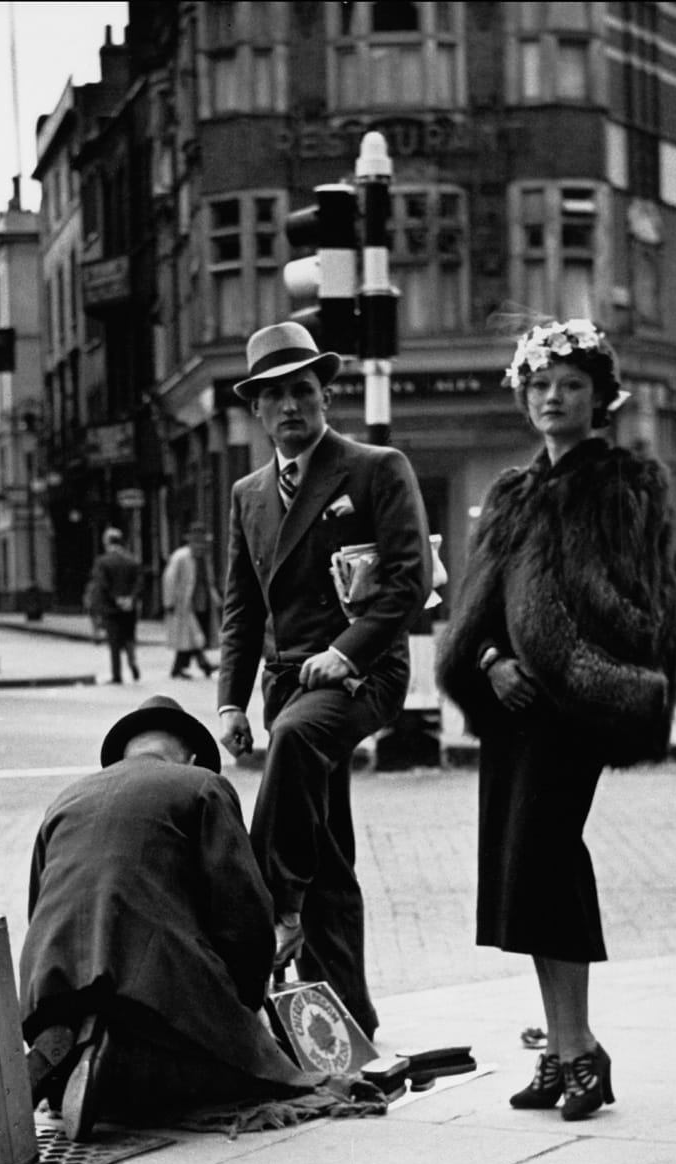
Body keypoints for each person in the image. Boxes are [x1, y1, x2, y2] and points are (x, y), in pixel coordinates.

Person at [436, 318, 676, 1120]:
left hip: (577, 704)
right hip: (513, 708)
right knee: (521, 877)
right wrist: (487, 662)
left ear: (600, 397)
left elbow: (640, 605)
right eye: (540, 386)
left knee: (548, 862)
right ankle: (563, 1047)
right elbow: (478, 602)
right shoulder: (511, 491)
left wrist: (560, 655)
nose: (552, 398)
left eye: (570, 386)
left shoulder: (625, 485)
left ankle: (579, 1051)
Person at [218, 321, 431, 1040]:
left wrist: (348, 649)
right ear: (257, 410)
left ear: (325, 396)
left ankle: (267, 904)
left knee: (298, 738)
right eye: (274, 397)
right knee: (330, 852)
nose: (290, 408)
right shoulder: (248, 493)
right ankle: (353, 1023)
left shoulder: (375, 467)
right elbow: (241, 610)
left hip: (363, 673)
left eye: (302, 391)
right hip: (284, 681)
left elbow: (410, 581)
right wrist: (228, 703)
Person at [18, 695, 323, 1141]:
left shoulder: (66, 798)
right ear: (193, 756)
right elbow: (241, 913)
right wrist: (244, 1004)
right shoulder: (201, 785)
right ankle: (115, 1050)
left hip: (49, 986)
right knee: (238, 1070)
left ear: (126, 753)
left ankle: (81, 1044)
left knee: (123, 1009)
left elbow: (37, 907)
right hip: (153, 990)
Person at [162, 523, 219, 679]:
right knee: (191, 635)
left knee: (192, 636)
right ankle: (202, 665)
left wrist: (214, 597)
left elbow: (209, 580)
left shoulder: (204, 558)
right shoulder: (181, 556)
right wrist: (169, 601)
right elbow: (169, 579)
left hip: (201, 602)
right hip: (184, 603)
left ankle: (185, 667)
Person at [87, 527, 141, 684]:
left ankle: (117, 675)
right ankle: (132, 662)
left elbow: (102, 585)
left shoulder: (103, 562)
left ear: (107, 542)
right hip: (130, 607)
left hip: (111, 608)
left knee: (115, 642)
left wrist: (114, 600)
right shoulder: (132, 560)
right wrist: (130, 598)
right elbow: (139, 583)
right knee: (130, 637)